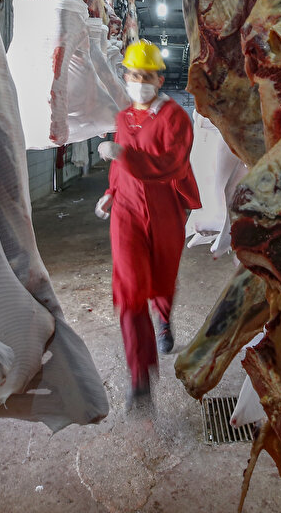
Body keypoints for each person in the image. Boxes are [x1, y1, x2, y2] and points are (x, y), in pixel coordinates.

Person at [95, 40, 200, 408]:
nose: (139, 81)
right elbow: (119, 164)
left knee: (161, 278)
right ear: (126, 76)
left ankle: (164, 319)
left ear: (159, 78)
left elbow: (172, 163)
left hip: (163, 208)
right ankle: (140, 377)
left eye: (146, 76)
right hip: (126, 211)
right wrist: (110, 191)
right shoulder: (124, 118)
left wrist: (127, 155)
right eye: (133, 75)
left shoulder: (175, 117)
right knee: (129, 288)